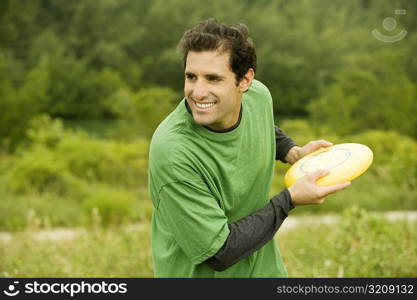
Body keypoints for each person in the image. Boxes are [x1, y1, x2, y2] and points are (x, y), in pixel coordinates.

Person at [148, 18, 350, 277]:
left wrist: (292, 151)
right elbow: (219, 252)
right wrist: (289, 200)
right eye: (191, 77)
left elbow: (263, 125)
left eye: (213, 79)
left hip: (266, 272)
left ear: (245, 81)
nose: (198, 92)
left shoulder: (258, 96)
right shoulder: (173, 152)